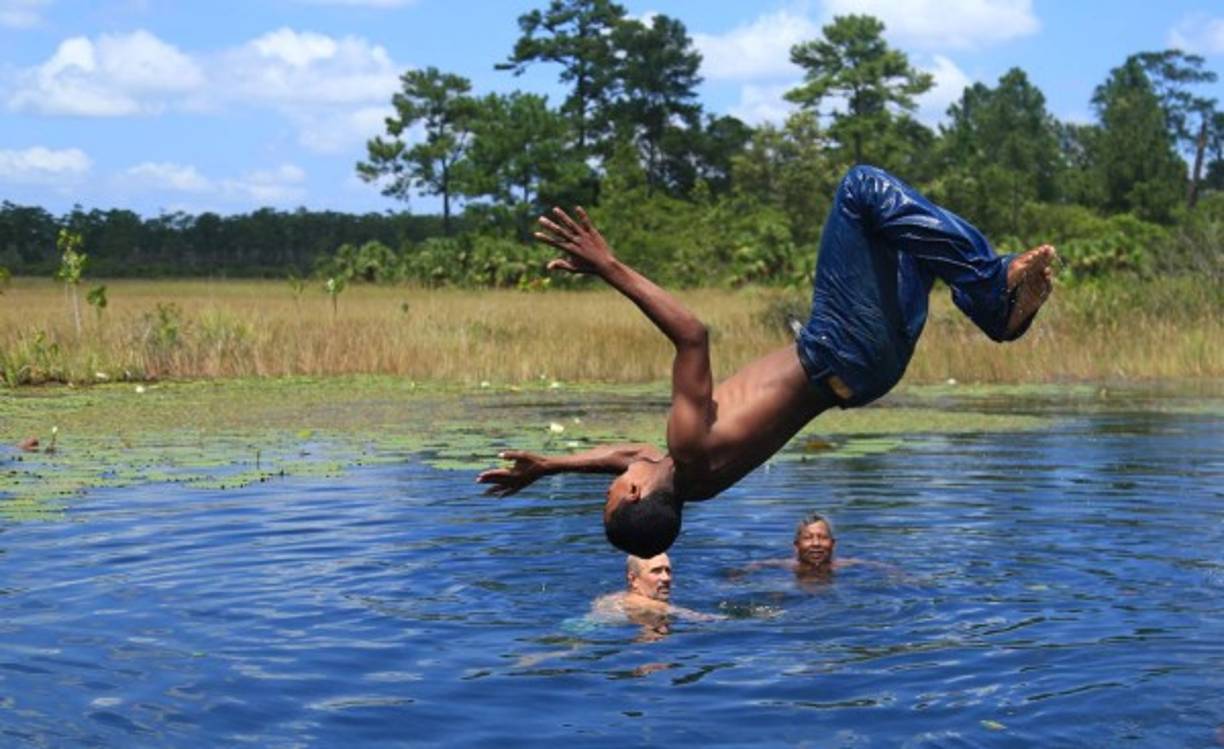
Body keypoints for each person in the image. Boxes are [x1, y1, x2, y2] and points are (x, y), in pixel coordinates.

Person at [477, 165, 1056, 557]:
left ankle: (991, 305)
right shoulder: (685, 446)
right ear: (633, 494)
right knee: (861, 190)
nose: (616, 478)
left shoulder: (693, 482)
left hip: (868, 374)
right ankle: (990, 294)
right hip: (839, 344)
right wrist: (610, 267)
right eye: (612, 491)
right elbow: (692, 336)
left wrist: (551, 464)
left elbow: (630, 457)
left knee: (909, 238)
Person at [590, 553, 719, 641]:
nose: (666, 578)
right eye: (656, 571)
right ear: (633, 579)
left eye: (667, 571)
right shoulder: (647, 604)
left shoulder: (612, 598)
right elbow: (701, 619)